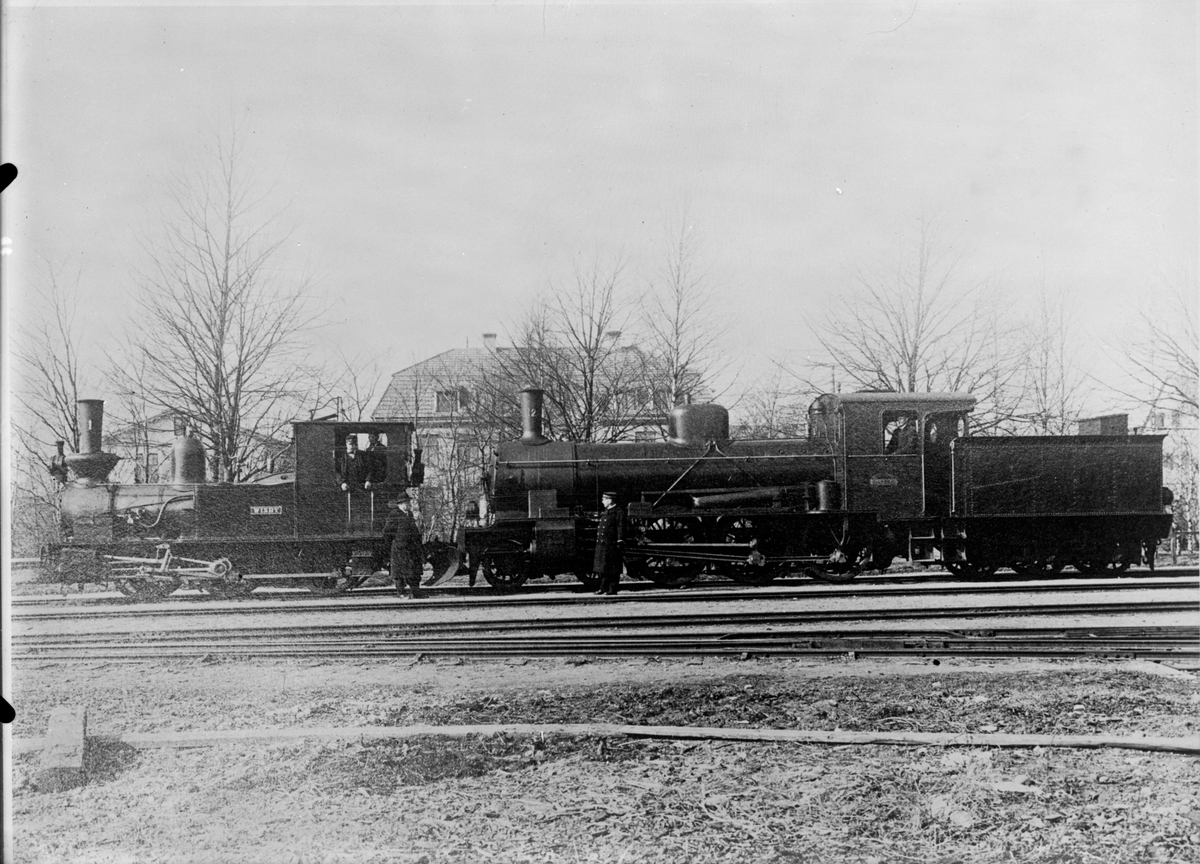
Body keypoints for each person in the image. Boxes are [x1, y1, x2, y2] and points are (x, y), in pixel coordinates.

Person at [382, 491, 425, 598]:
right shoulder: (394, 515)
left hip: (411, 549)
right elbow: (387, 533)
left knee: (413, 571)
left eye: (409, 502)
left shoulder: (409, 514)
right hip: (400, 549)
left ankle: (415, 592)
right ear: (400, 504)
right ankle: (401, 593)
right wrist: (396, 543)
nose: (409, 504)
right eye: (407, 503)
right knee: (399, 573)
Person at [592, 492, 625, 596]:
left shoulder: (618, 512)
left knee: (613, 568)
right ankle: (603, 588)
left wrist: (620, 540)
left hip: (611, 544)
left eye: (604, 499)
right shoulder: (607, 512)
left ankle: (612, 589)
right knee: (604, 568)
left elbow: (620, 527)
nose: (602, 501)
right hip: (603, 544)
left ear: (610, 500)